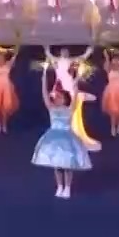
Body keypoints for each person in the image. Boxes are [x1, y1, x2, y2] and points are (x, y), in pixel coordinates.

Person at [32, 67, 92, 199]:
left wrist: (76, 81)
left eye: (60, 97)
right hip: (53, 139)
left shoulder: (70, 109)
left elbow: (75, 94)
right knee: (57, 165)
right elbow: (44, 94)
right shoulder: (51, 108)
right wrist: (44, 79)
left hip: (67, 138)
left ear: (65, 99)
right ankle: (59, 186)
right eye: (56, 97)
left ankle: (67, 187)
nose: (56, 98)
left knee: (67, 165)